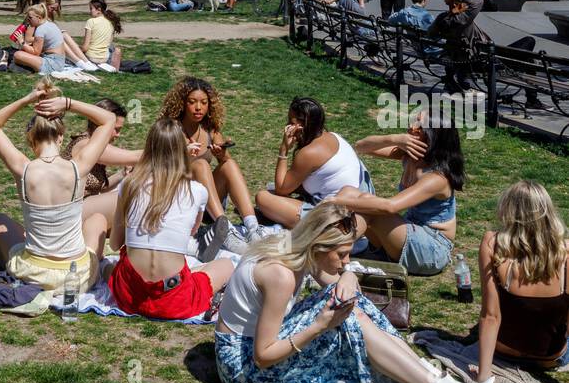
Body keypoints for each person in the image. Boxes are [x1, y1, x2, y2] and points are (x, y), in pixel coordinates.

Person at [214, 203, 518, 383]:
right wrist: (319, 325)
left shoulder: (296, 249)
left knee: (348, 305)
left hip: (253, 349)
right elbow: (262, 356)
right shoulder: (280, 274)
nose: (347, 261)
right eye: (343, 254)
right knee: (342, 314)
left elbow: (336, 279)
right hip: (243, 370)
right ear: (319, 246)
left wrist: (346, 276)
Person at [0, 85, 115, 298]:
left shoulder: (23, 169)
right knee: (98, 220)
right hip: (76, 277)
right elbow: (108, 120)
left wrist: (27, 100)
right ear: (61, 137)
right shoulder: (79, 167)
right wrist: (67, 103)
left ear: (31, 140)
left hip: (33, 275)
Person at [108, 117, 234, 319]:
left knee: (112, 268)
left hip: (131, 294)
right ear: (182, 150)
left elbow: (114, 244)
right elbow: (191, 232)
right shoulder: (197, 191)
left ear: (148, 148)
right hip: (174, 298)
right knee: (226, 265)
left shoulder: (129, 184)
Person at [333, 113, 465, 276]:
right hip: (409, 232)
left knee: (371, 210)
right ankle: (333, 249)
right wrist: (394, 138)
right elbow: (360, 147)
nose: (412, 126)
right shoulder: (410, 155)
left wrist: (335, 201)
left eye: (419, 126)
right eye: (413, 121)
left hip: (433, 249)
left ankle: (333, 250)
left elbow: (390, 206)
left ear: (432, 135)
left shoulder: (437, 178)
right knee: (349, 192)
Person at [475, 181, 569, 379]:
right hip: (548, 357)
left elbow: (490, 316)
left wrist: (483, 378)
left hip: (504, 352)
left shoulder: (492, 243)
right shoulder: (566, 252)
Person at [160, 77, 262, 252]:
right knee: (201, 165)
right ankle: (225, 231)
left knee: (228, 165)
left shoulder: (210, 128)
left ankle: (253, 228)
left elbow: (226, 162)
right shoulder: (170, 129)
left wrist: (222, 153)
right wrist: (183, 155)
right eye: (192, 102)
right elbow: (159, 167)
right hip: (177, 197)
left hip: (206, 204)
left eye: (204, 102)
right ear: (182, 104)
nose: (198, 107)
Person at [255, 97, 371, 231]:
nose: (287, 126)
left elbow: (282, 189)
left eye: (291, 122)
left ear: (303, 126)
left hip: (338, 220)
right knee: (275, 189)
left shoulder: (309, 153)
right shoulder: (332, 136)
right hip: (357, 205)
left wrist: (283, 150)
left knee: (263, 198)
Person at [62, 96, 142, 229]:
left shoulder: (89, 142)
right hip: (68, 210)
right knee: (131, 197)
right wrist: (175, 150)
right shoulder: (86, 144)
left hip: (80, 207)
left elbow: (101, 189)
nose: (118, 135)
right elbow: (135, 156)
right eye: (116, 129)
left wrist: (123, 174)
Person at [81, 0, 122, 70]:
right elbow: (109, 43)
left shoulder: (91, 21)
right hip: (105, 58)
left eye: (91, 9)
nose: (90, 11)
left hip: (91, 58)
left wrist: (78, 49)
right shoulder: (111, 22)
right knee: (115, 48)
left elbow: (85, 48)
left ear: (99, 10)